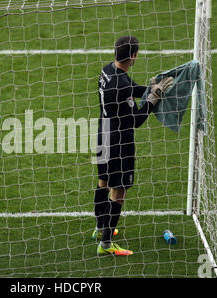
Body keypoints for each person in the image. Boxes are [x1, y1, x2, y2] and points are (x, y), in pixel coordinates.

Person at [93, 36, 173, 256]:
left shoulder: (108, 70)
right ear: (134, 56)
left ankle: (100, 229)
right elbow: (137, 120)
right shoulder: (122, 84)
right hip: (120, 142)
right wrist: (153, 98)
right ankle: (106, 245)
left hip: (103, 135)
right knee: (118, 193)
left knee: (103, 181)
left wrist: (149, 88)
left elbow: (130, 88)